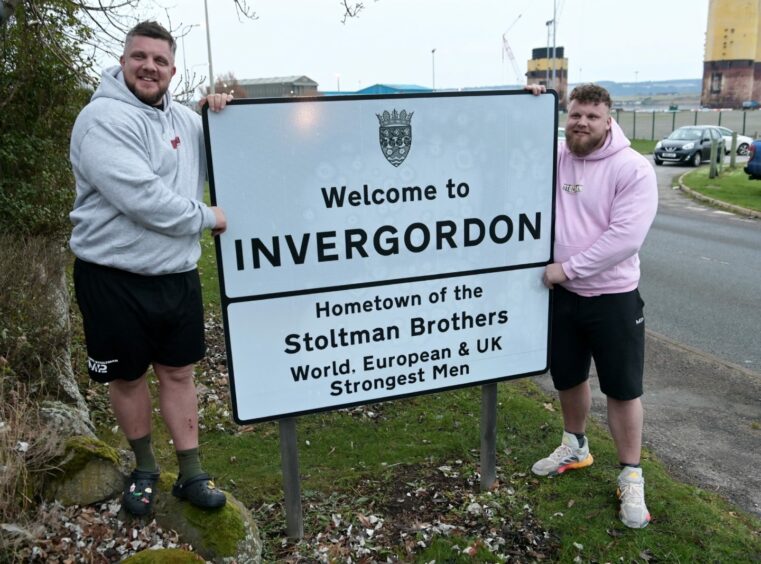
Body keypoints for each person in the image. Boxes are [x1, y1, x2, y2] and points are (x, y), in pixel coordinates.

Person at [69, 20, 232, 516]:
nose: (149, 67)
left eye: (160, 61)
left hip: (175, 278)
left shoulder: (184, 120)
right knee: (128, 378)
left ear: (173, 70)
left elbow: (232, 148)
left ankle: (192, 473)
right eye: (140, 57)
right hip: (113, 277)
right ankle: (144, 468)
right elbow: (144, 200)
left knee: (179, 373)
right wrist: (209, 217)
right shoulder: (101, 120)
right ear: (122, 62)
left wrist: (220, 112)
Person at [529, 83, 658, 529]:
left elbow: (624, 239)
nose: (581, 123)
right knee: (568, 376)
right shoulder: (559, 154)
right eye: (575, 114)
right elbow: (515, 137)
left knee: (622, 388)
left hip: (614, 296)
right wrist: (525, 99)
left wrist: (567, 269)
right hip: (564, 298)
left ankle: (631, 473)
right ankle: (576, 445)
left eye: (592, 116)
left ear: (609, 120)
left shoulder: (632, 168)